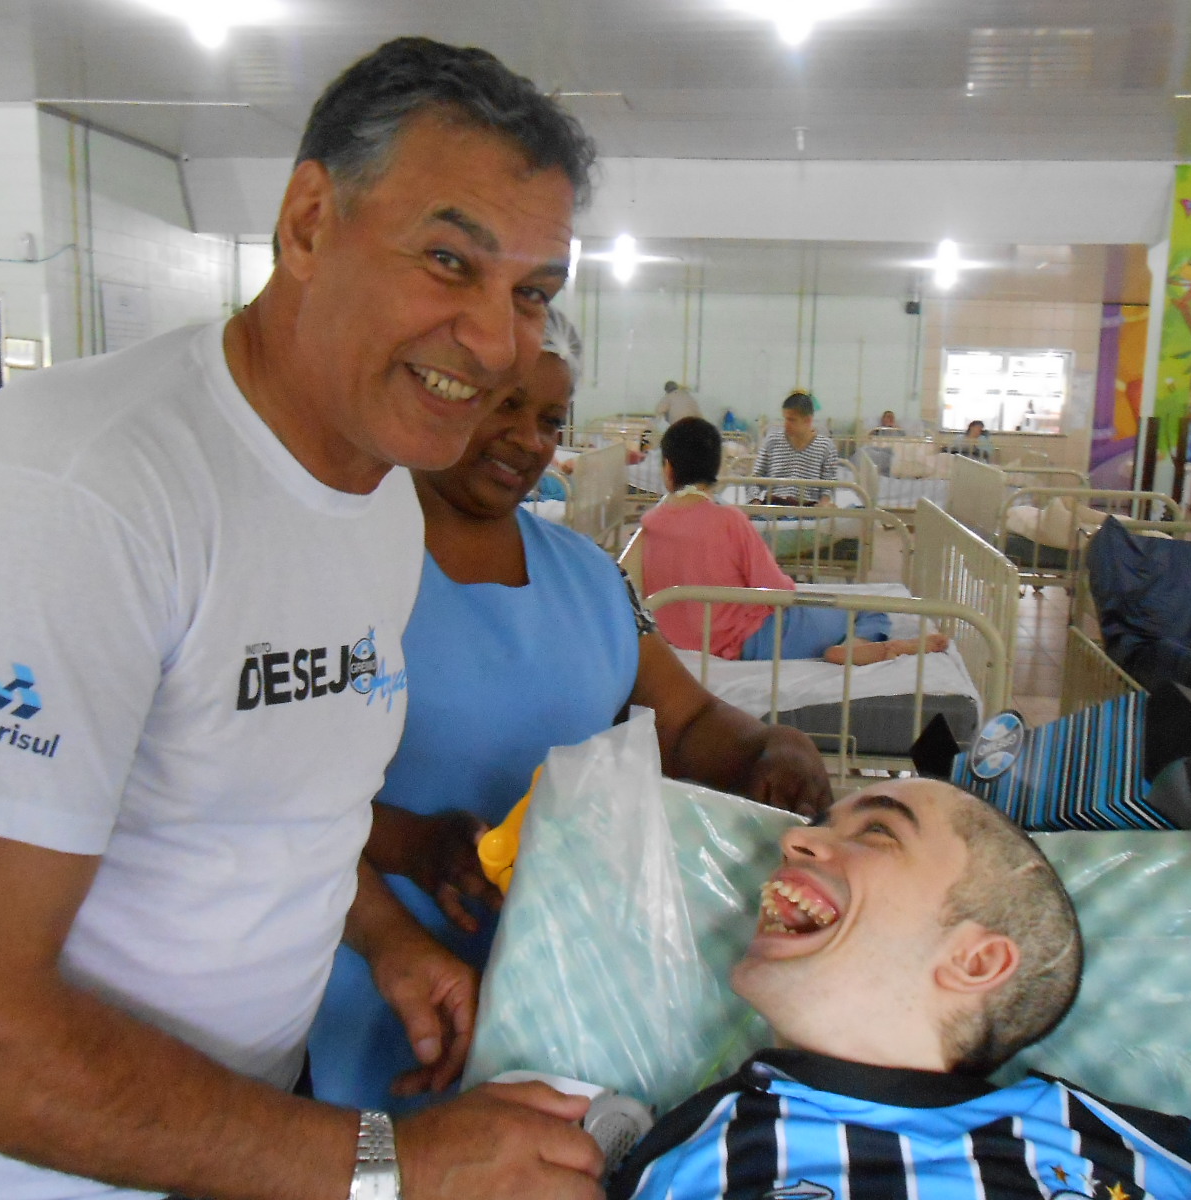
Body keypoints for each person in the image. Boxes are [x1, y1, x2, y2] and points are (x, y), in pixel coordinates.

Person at [0, 37, 609, 1200]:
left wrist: (386, 940)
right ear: (307, 222)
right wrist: (392, 1168)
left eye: (532, 295)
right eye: (449, 261)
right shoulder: (71, 496)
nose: (499, 345)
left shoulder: (375, 502)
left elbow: (267, 804)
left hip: (220, 1135)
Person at [307, 308, 832, 1112]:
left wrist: (770, 746)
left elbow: (687, 722)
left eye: (550, 418)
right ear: (442, 393)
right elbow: (265, 796)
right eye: (501, 404)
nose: (526, 439)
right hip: (390, 978)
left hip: (576, 991)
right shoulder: (342, 568)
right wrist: (412, 845)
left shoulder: (589, 576)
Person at [609, 779, 1191, 1200]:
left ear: (973, 963)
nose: (796, 842)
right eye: (817, 826)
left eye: (877, 833)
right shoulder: (687, 1144)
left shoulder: (1124, 1144)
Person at [640, 417, 948, 666]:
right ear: (718, 467)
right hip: (749, 640)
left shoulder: (649, 524)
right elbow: (777, 590)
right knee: (867, 607)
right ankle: (862, 644)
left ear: (668, 469)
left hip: (683, 639)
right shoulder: (728, 520)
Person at [751, 390, 839, 503]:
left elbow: (828, 486)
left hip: (808, 510)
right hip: (773, 507)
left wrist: (824, 504)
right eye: (785, 418)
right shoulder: (772, 441)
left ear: (808, 420)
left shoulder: (825, 447)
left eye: (792, 420)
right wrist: (755, 501)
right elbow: (755, 479)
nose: (786, 424)